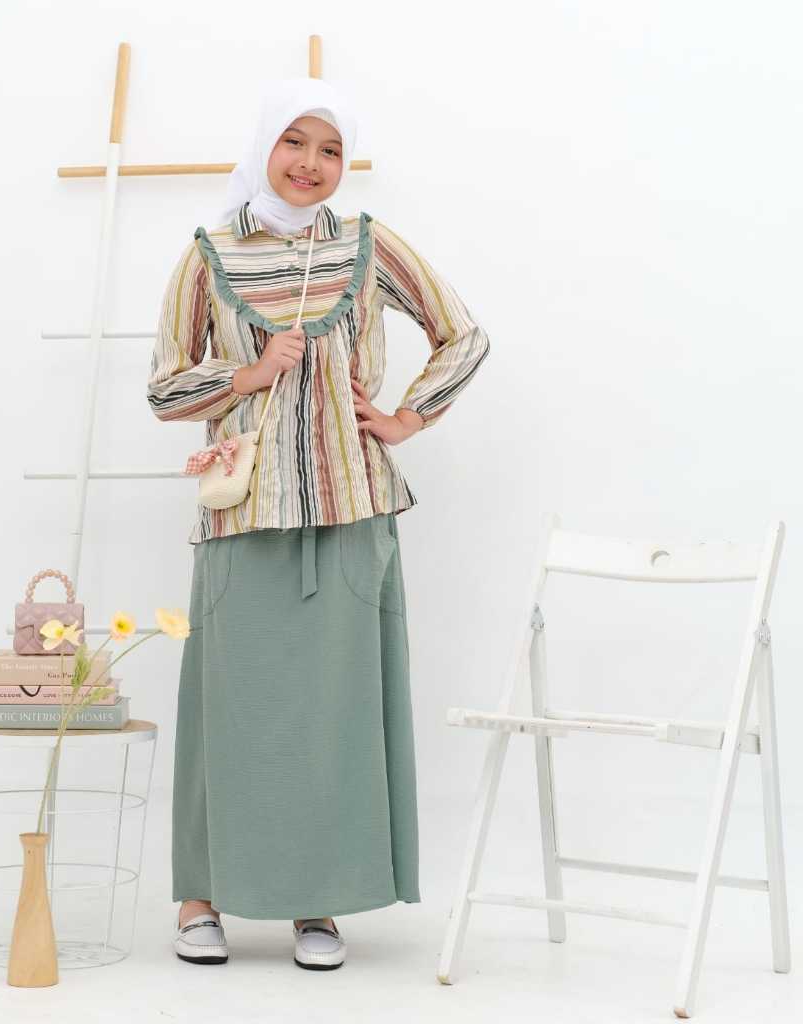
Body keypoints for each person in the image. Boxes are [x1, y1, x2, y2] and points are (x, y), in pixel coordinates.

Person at [146, 76, 490, 971]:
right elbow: (165, 389)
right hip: (244, 514)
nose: (311, 163)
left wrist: (408, 418)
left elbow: (463, 335)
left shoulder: (368, 245)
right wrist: (248, 377)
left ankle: (317, 901)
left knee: (335, 712)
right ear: (264, 146)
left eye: (331, 149)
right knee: (229, 710)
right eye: (295, 142)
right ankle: (201, 897)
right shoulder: (209, 254)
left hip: (351, 509)